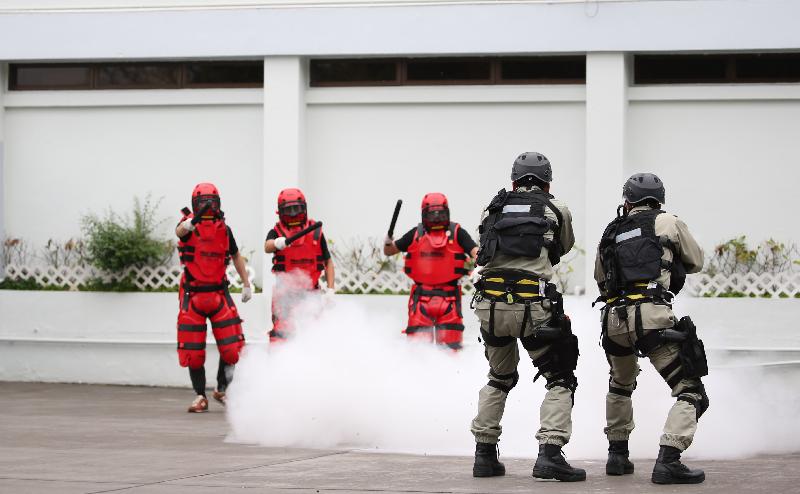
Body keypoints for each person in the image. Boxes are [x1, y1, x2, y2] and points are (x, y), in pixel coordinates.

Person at [470, 152, 584, 481]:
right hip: (532, 305)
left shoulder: (492, 207)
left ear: (514, 181)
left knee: (499, 377)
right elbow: (561, 249)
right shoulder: (556, 208)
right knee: (560, 377)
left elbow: (485, 246)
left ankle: (484, 455)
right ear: (547, 181)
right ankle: (550, 453)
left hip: (489, 305)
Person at [595, 172, 708, 484]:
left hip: (614, 318)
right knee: (691, 390)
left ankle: (617, 456)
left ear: (627, 200)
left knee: (620, 384)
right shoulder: (668, 221)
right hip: (652, 316)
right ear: (658, 199)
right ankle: (668, 459)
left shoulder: (612, 229)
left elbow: (600, 278)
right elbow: (696, 261)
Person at [175, 182, 252, 413]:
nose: (207, 208)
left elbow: (236, 256)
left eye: (211, 203)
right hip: (193, 296)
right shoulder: (187, 228)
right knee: (193, 352)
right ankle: (200, 396)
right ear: (194, 205)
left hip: (219, 294)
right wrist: (189, 223)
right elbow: (179, 232)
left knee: (232, 347)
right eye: (202, 203)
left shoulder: (224, 230)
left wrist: (246, 283)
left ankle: (222, 389)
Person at [383, 193, 478, 350]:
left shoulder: (457, 233)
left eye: (440, 213)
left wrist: (479, 264)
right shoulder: (416, 234)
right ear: (424, 214)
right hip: (422, 299)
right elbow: (389, 251)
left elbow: (476, 252)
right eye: (432, 214)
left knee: (450, 351)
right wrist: (387, 241)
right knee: (418, 352)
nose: (436, 218)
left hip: (449, 299)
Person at [264, 188, 334, 342]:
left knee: (316, 337)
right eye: (289, 210)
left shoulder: (316, 231)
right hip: (285, 296)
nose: (294, 214)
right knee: (281, 339)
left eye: (297, 208)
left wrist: (330, 289)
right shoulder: (277, 231)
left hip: (311, 294)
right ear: (281, 212)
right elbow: (267, 246)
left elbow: (328, 262)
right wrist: (277, 242)